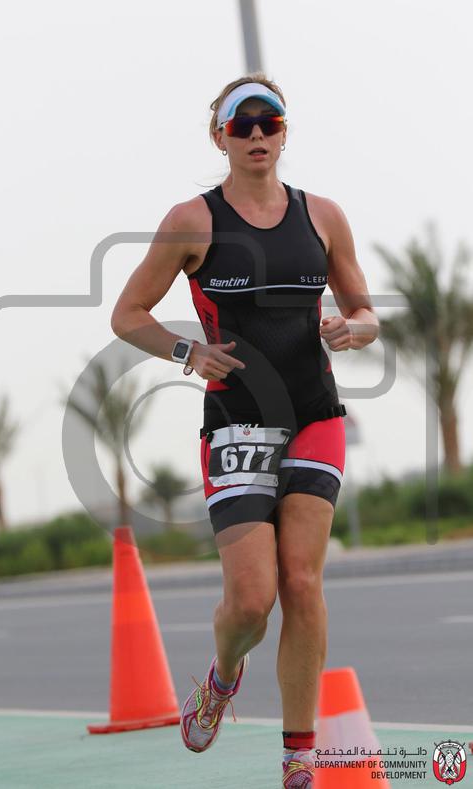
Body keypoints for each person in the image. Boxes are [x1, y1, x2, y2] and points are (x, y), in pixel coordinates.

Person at [110, 73, 379, 788]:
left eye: (270, 121)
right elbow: (128, 314)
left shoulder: (322, 216)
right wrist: (187, 351)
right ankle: (224, 675)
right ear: (220, 136)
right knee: (252, 600)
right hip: (236, 423)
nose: (257, 133)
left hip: (315, 415)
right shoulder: (192, 221)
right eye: (242, 123)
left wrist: (354, 328)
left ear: (285, 132)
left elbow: (366, 311)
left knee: (303, 582)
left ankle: (299, 755)